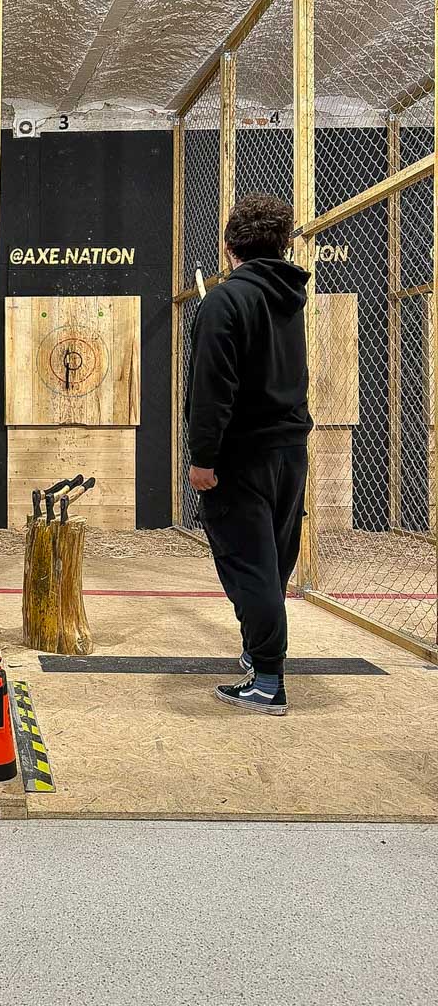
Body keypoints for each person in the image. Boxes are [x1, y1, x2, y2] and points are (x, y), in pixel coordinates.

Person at [186, 193, 312, 716]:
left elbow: (213, 388)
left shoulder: (225, 300)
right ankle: (259, 654)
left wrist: (202, 457)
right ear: (282, 244)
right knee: (274, 562)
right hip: (289, 450)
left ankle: (266, 679)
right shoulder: (288, 298)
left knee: (249, 565)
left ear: (229, 245)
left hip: (242, 456)